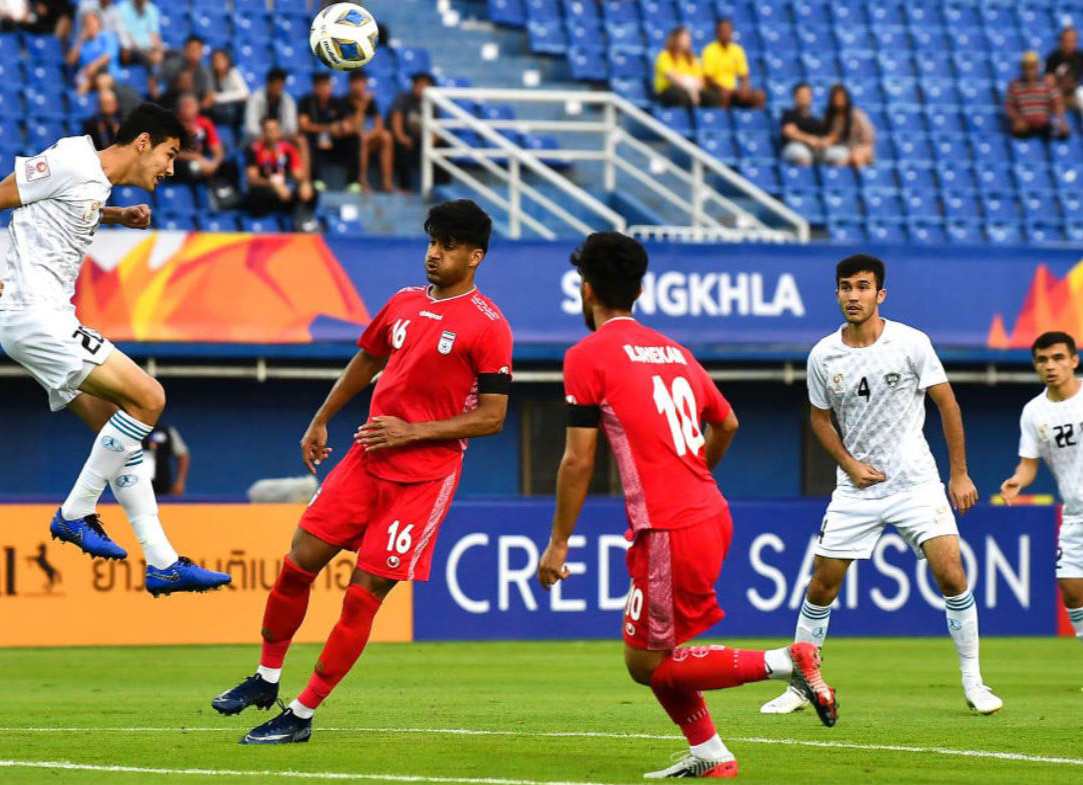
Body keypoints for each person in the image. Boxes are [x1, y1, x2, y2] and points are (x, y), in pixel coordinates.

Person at [210, 200, 514, 745]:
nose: (433, 254)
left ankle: (300, 715)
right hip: (365, 458)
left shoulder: (489, 326)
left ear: (475, 256)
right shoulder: (401, 303)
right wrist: (321, 418)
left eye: (446, 246)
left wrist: (411, 432)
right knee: (297, 562)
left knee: (362, 595)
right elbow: (367, 361)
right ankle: (267, 678)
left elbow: (492, 417)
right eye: (430, 243)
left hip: (423, 478)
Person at [537, 232, 837, 779]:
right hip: (706, 512)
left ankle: (786, 661)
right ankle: (711, 753)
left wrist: (558, 542)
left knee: (646, 662)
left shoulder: (587, 355)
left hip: (669, 526)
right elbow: (727, 421)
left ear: (586, 289)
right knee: (653, 656)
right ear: (640, 289)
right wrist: (695, 471)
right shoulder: (674, 350)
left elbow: (578, 461)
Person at [0, 103, 230, 597]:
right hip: (35, 315)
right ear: (144, 142)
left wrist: (115, 215)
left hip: (45, 320)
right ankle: (75, 512)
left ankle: (163, 562)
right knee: (150, 398)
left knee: (121, 434)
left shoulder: (94, 184)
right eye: (170, 155)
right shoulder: (71, 159)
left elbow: (60, 207)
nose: (170, 170)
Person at [759, 255, 1002, 717]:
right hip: (857, 491)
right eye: (846, 287)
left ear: (880, 294)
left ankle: (974, 681)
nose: (854, 295)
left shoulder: (911, 342)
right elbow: (819, 418)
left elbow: (948, 405)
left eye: (863, 287)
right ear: (836, 294)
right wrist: (849, 464)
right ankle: (799, 685)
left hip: (916, 484)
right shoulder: (823, 354)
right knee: (821, 586)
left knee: (951, 573)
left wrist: (960, 473)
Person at [1000, 331, 1083, 652]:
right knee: (1072, 588)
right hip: (1075, 513)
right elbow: (1028, 464)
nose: (1051, 366)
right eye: (1042, 360)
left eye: (1058, 358)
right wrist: (1017, 481)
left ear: (1073, 361)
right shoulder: (1034, 412)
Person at [243, 116, 318, 231]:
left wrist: (304, 183)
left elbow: (297, 174)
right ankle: (261, 227)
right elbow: (252, 180)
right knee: (257, 193)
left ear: (279, 132)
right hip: (265, 192)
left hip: (284, 193)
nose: (272, 133)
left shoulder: (288, 149)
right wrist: (274, 185)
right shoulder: (253, 150)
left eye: (275, 130)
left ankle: (302, 225)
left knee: (310, 191)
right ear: (263, 132)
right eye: (268, 130)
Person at [299, 72, 361, 191]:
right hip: (316, 142)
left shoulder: (337, 103)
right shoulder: (307, 102)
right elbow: (304, 126)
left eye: (327, 85)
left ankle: (353, 182)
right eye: (321, 86)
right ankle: (316, 180)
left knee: (355, 139)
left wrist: (343, 128)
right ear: (315, 88)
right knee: (308, 139)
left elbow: (348, 124)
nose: (325, 89)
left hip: (335, 142)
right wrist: (328, 128)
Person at [700, 17, 765, 109]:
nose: (727, 34)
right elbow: (708, 79)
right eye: (724, 31)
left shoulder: (737, 50)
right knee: (724, 94)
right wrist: (724, 89)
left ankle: (754, 121)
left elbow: (744, 75)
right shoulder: (709, 50)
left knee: (759, 95)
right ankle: (724, 120)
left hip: (734, 90)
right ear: (717, 33)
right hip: (717, 90)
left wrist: (744, 88)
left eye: (729, 31)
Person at [346, 71, 394, 192]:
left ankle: (387, 182)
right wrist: (363, 105)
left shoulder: (371, 102)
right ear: (350, 84)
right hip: (350, 142)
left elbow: (379, 124)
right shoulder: (344, 102)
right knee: (360, 139)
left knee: (386, 137)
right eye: (356, 82)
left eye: (362, 82)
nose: (359, 86)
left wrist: (369, 135)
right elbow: (353, 126)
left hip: (367, 138)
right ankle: (362, 180)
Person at [173, 92, 234, 185]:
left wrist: (214, 164)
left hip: (205, 161)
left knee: (230, 166)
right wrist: (195, 158)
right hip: (184, 162)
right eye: (185, 106)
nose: (188, 109)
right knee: (194, 168)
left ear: (197, 107)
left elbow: (217, 148)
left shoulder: (205, 123)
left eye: (191, 105)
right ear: (178, 109)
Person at [1007, 50, 1069, 139]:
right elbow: (1009, 107)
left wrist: (1062, 121)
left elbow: (1058, 103)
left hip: (1044, 124)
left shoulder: (1048, 84)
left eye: (1032, 67)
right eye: (1027, 67)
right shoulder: (1015, 85)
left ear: (1037, 67)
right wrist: (1017, 119)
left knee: (1062, 134)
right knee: (1018, 131)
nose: (1030, 71)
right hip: (1026, 125)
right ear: (1022, 68)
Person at [389, 71, 435, 191]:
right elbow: (396, 121)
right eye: (418, 84)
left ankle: (440, 186)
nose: (421, 87)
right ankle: (406, 187)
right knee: (400, 147)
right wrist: (402, 138)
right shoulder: (403, 98)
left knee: (443, 147)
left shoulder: (432, 103)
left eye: (425, 84)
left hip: (423, 140)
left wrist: (431, 142)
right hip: (406, 138)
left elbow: (437, 129)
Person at [819, 84, 875, 167]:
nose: (838, 99)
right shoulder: (828, 117)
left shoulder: (856, 114)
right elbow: (826, 137)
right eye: (836, 97)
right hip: (841, 150)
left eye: (841, 96)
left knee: (856, 157)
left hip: (860, 148)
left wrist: (859, 149)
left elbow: (868, 137)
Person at [67, 11, 120, 96]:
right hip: (88, 76)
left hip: (108, 73)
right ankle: (80, 104)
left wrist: (93, 66)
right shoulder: (82, 42)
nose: (88, 25)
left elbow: (107, 56)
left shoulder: (107, 35)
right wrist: (79, 41)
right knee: (85, 82)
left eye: (91, 21)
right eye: (86, 23)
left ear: (98, 23)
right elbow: (71, 61)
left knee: (101, 81)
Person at [244, 67, 300, 145]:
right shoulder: (255, 98)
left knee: (300, 141)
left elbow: (291, 127)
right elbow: (250, 127)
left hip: (281, 137)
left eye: (281, 84)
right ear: (269, 83)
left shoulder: (288, 100)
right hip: (259, 138)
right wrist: (267, 136)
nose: (278, 87)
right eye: (276, 84)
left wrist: (277, 135)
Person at [160, 34, 215, 112]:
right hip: (173, 102)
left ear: (201, 51)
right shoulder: (172, 65)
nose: (194, 52)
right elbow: (155, 79)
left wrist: (194, 109)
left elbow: (210, 96)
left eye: (197, 49)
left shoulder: (206, 71)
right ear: (185, 50)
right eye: (191, 49)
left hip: (196, 106)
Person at [653, 26, 704, 110]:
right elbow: (673, 78)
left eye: (689, 39)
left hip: (690, 89)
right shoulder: (664, 56)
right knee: (681, 95)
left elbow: (701, 80)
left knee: (708, 96)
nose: (688, 41)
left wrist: (694, 89)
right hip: (667, 90)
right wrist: (690, 89)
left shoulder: (691, 58)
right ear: (676, 39)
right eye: (685, 38)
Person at [780, 82, 830, 164]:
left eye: (807, 94)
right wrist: (808, 139)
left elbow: (823, 136)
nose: (804, 97)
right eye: (801, 94)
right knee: (801, 153)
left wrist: (823, 141)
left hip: (814, 150)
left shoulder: (815, 120)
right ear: (795, 97)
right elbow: (789, 131)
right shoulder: (789, 114)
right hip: (794, 147)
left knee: (839, 154)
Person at [143, 423, 189, 496]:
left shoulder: (166, 431)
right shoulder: (127, 430)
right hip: (133, 483)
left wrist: (180, 482)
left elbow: (183, 456)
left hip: (161, 485)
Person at [117, 0, 163, 70]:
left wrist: (158, 50)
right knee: (148, 59)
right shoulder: (123, 8)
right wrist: (144, 52)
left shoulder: (152, 9)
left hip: (149, 49)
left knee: (174, 57)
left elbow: (154, 34)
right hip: (132, 50)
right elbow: (125, 34)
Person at [210, 47, 250, 128]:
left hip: (234, 111)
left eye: (220, 59)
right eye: (214, 59)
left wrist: (217, 98)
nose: (217, 62)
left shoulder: (233, 73)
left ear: (227, 60)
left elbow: (244, 93)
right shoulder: (209, 75)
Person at [1047, 27, 1083, 112]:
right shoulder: (1053, 58)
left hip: (1075, 93)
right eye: (1067, 40)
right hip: (1058, 92)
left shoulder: (1080, 57)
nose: (1070, 44)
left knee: (1081, 93)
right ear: (1061, 41)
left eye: (1073, 40)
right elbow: (1049, 80)